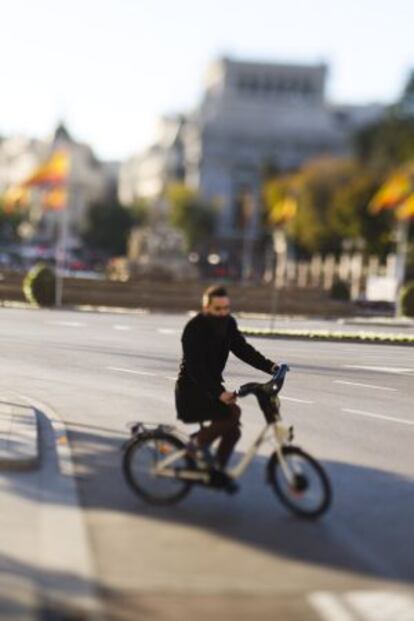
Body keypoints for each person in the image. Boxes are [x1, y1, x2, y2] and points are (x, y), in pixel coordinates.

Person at [175, 285, 278, 476]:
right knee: (232, 414)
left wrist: (271, 367)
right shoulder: (194, 329)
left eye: (226, 308)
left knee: (233, 432)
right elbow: (196, 370)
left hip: (211, 387)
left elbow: (242, 349)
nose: (223, 313)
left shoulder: (228, 323)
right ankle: (194, 446)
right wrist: (220, 393)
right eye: (218, 309)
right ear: (206, 308)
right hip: (191, 389)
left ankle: (216, 472)